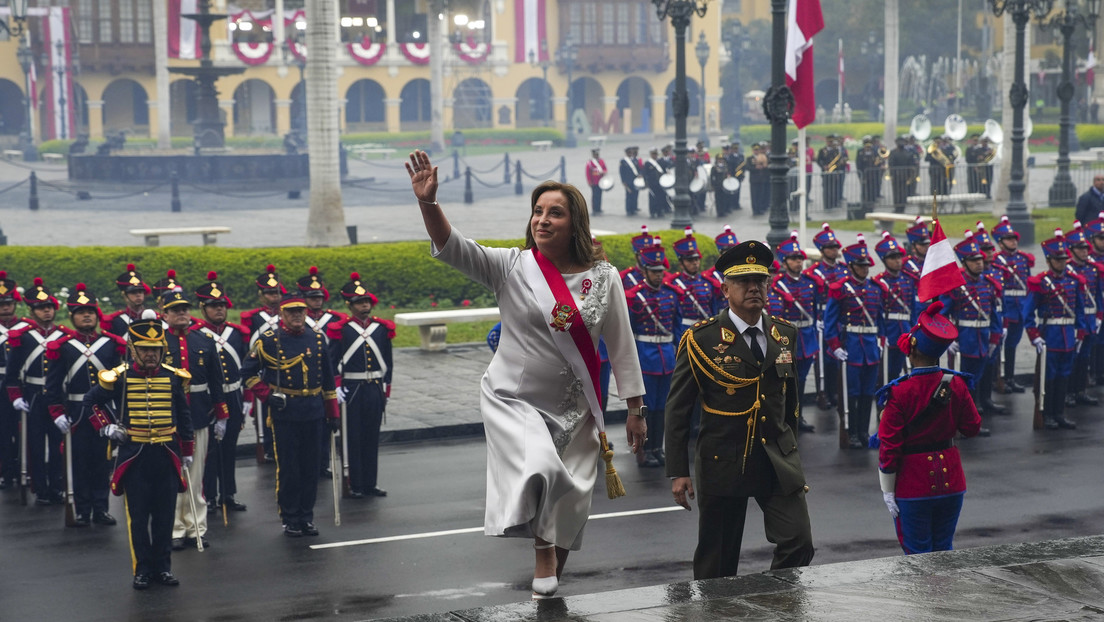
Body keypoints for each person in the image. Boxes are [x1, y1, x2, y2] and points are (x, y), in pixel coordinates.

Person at [405, 150, 646, 600]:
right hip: (515, 400)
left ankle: (549, 584)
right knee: (539, 467)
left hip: (577, 411)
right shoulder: (512, 266)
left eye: (555, 213)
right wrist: (428, 203)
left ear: (575, 223)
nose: (542, 220)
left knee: (572, 506)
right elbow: (455, 247)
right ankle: (542, 551)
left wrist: (635, 409)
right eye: (538, 211)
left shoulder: (605, 277)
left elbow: (622, 344)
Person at [665, 240, 814, 580]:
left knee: (799, 540)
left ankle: (773, 603)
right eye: (743, 282)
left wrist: (791, 451)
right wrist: (678, 470)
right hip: (724, 457)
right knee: (717, 561)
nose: (753, 288)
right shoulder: (701, 339)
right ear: (725, 288)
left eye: (760, 281)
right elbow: (678, 410)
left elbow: (790, 403)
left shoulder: (785, 334)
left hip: (776, 457)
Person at [82, 312, 195, 589]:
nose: (151, 355)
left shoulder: (173, 378)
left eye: (155, 350)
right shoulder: (118, 377)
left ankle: (164, 568)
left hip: (166, 454)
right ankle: (142, 569)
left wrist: (188, 449)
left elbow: (184, 414)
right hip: (134, 455)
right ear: (133, 349)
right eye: (145, 349)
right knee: (139, 518)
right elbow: (90, 402)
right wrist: (106, 427)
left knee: (165, 516)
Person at [875, 301, 982, 555]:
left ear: (911, 352)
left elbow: (889, 446)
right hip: (952, 481)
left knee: (918, 555)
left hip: (914, 484)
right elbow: (972, 427)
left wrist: (887, 490)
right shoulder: (956, 384)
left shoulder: (899, 391)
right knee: (944, 550)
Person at [242, 292, 340, 537]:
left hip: (314, 411)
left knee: (311, 468)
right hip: (286, 411)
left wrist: (332, 413)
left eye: (300, 311)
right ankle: (290, 517)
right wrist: (267, 395)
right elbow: (247, 373)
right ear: (282, 314)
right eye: (291, 312)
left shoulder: (317, 339)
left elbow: (328, 380)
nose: (297, 316)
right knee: (289, 468)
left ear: (306, 313)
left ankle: (306, 516)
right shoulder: (268, 340)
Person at [44, 284, 126, 527]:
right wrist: (57, 412)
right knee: (79, 463)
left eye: (90, 311)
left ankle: (101, 508)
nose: (87, 315)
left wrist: (122, 414)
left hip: (104, 412)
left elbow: (120, 384)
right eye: (81, 312)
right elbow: (53, 384)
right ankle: (82, 509)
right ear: (72, 316)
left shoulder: (111, 345)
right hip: (77, 413)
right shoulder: (63, 346)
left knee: (102, 461)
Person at [159, 289, 229, 551]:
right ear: (164, 314)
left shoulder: (204, 340)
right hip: (169, 418)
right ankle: (175, 529)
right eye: (175, 310)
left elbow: (216, 381)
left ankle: (196, 528)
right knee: (173, 476)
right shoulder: (157, 342)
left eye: (185, 309)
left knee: (197, 476)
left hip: (199, 415)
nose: (181, 314)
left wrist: (221, 414)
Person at [326, 273, 395, 498]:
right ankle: (354, 483)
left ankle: (370, 483)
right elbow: (332, 361)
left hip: (374, 388)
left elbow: (388, 361)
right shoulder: (341, 329)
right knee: (352, 437)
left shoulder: (381, 328)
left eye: (366, 301)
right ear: (350, 305)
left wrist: (386, 388)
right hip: (352, 389)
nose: (364, 304)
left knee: (371, 436)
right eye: (359, 302)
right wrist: (337, 386)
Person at [5, 278, 66, 505]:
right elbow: (12, 376)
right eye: (41, 308)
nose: (46, 311)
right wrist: (16, 398)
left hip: (57, 397)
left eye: (49, 307)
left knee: (58, 444)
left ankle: (57, 486)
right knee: (36, 445)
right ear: (32, 311)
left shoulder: (63, 336)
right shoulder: (22, 337)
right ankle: (40, 488)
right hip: (33, 396)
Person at [194, 272, 250, 514]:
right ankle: (211, 495)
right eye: (213, 306)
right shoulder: (197, 335)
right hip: (211, 400)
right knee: (210, 452)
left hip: (234, 397)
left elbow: (247, 367)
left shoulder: (237, 334)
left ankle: (229, 493)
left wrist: (247, 398)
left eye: (222, 306)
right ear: (203, 308)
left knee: (230, 448)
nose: (219, 310)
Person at [825, 235, 887, 449]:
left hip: (870, 347)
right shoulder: (840, 288)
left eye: (866, 266)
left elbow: (880, 319)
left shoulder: (875, 289)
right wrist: (835, 346)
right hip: (850, 346)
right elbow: (830, 321)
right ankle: (850, 431)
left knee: (868, 391)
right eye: (860, 266)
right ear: (851, 266)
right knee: (851, 392)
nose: (865, 269)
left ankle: (863, 431)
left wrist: (881, 340)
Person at [1025, 229, 1090, 430]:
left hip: (1068, 338)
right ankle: (1048, 413)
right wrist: (1034, 336)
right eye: (1057, 259)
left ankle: (1060, 413)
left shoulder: (1073, 281)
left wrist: (1081, 332)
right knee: (1049, 377)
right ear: (1049, 260)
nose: (1062, 262)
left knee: (1064, 376)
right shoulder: (1041, 283)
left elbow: (1080, 309)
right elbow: (1028, 313)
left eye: (1063, 259)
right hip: (1049, 338)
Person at [627, 241, 681, 468]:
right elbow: (628, 331)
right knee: (646, 407)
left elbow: (677, 327)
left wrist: (679, 350)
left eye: (661, 272)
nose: (659, 276)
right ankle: (644, 450)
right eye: (654, 272)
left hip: (666, 357)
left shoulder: (671, 295)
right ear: (645, 271)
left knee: (662, 406)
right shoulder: (634, 297)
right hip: (645, 356)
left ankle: (658, 448)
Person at [939, 232, 1004, 419]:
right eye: (974, 260)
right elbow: (942, 315)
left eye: (980, 260)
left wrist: (994, 338)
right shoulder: (956, 286)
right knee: (960, 381)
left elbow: (994, 316)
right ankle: (958, 417)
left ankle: (970, 416)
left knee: (975, 379)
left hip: (983, 341)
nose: (979, 263)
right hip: (963, 341)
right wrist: (947, 340)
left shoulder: (989, 285)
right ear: (965, 263)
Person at [296, 266, 346, 478]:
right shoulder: (298, 320)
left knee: (328, 424)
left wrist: (337, 381)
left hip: (329, 377)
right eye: (312, 297)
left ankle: (323, 463)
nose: (317, 301)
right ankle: (308, 464)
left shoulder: (334, 320)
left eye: (319, 297)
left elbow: (340, 353)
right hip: (306, 379)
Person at [771, 233, 820, 433]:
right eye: (794, 259)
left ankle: (798, 416)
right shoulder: (778, 285)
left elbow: (814, 311)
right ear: (785, 262)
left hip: (807, 337)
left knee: (801, 380)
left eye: (800, 259)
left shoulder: (810, 282)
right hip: (787, 339)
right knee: (785, 380)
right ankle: (784, 417)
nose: (798, 263)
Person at [240, 264, 286, 461]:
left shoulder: (287, 315)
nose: (273, 297)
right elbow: (247, 348)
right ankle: (267, 448)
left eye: (276, 293)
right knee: (264, 417)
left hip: (284, 369)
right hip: (262, 372)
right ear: (261, 295)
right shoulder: (254, 318)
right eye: (268, 293)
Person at [805, 224, 848, 409]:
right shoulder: (814, 272)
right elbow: (810, 298)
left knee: (837, 358)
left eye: (835, 247)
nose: (834, 250)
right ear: (822, 250)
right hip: (821, 318)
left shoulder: (844, 270)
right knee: (821, 359)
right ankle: (822, 393)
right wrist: (816, 319)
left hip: (839, 319)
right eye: (830, 248)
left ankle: (836, 391)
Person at [990, 216, 1033, 393]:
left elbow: (1027, 283)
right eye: (1009, 239)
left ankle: (1009, 377)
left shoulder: (1023, 259)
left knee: (1012, 344)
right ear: (1000, 243)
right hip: (1005, 308)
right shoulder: (996, 261)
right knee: (998, 344)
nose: (1013, 241)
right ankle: (995, 379)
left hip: (1020, 308)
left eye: (1014, 238)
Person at [1064, 223, 1102, 408]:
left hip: (1091, 318)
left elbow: (1098, 294)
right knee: (1073, 357)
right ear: (1071, 250)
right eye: (1081, 248)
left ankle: (1080, 391)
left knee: (1085, 356)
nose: (1086, 251)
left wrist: (1099, 316)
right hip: (1075, 321)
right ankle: (1069, 392)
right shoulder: (1068, 270)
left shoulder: (1093, 269)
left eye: (1086, 248)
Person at [873, 231, 918, 381]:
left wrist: (914, 330)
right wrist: (882, 334)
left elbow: (912, 310)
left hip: (904, 330)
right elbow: (878, 312)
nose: (898, 261)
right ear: (884, 260)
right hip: (889, 331)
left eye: (899, 257)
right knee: (885, 372)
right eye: (893, 258)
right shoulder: (879, 282)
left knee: (903, 371)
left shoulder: (908, 280)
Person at [0, 272, 28, 489]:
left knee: (23, 429)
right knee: (3, 430)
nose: (4, 308)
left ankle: (23, 469)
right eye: (1, 304)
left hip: (20, 385)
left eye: (8, 303)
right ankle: (5, 471)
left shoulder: (26, 328)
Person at [102, 263, 152, 338]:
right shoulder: (116, 321)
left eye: (140, 292)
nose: (138, 295)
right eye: (133, 292)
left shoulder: (154, 317)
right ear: (125, 296)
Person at [620, 226, 655, 291]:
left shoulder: (661, 276)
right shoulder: (625, 278)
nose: (646, 257)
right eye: (642, 255)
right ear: (635, 257)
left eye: (648, 254)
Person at [888, 137, 914, 213]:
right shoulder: (907, 152)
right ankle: (902, 207)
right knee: (903, 192)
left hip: (897, 175)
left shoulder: (893, 152)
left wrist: (892, 174)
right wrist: (909, 175)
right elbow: (910, 165)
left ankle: (897, 207)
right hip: (904, 175)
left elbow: (891, 164)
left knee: (897, 192)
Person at [643, 147, 668, 219]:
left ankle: (660, 211)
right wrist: (646, 182)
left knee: (661, 198)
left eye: (656, 154)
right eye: (653, 154)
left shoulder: (660, 162)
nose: (655, 155)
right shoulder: (648, 163)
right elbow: (645, 173)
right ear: (651, 154)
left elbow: (665, 169)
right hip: (652, 184)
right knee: (653, 198)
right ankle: (653, 212)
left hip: (660, 183)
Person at [619, 146, 642, 216]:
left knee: (635, 195)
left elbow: (639, 169)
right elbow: (621, 172)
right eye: (628, 152)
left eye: (631, 152)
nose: (630, 154)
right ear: (626, 153)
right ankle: (628, 210)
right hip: (628, 182)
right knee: (629, 195)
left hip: (635, 181)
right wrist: (623, 182)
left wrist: (640, 175)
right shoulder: (623, 161)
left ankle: (634, 208)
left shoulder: (635, 160)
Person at [585, 148, 607, 215]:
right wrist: (589, 181)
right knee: (595, 196)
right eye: (595, 154)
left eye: (597, 154)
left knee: (600, 195)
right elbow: (588, 173)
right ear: (593, 155)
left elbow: (605, 169)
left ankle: (599, 208)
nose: (596, 155)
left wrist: (603, 172)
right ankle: (594, 209)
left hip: (601, 181)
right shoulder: (590, 163)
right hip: (594, 182)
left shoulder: (601, 161)